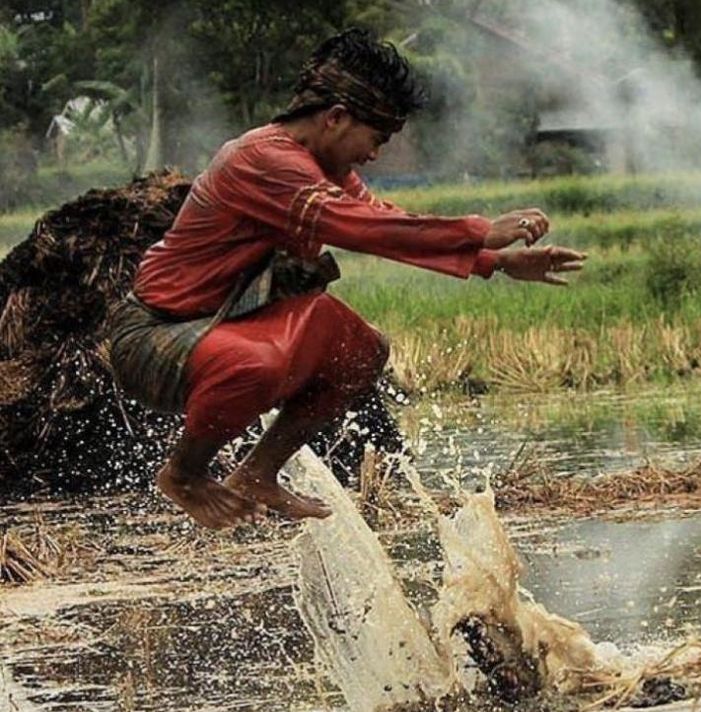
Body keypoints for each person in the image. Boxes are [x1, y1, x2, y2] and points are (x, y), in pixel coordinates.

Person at [107, 29, 585, 530]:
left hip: (224, 324)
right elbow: (363, 228)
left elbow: (384, 219)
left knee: (363, 350)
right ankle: (183, 474)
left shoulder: (324, 169)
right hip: (156, 336)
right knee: (258, 363)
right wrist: (483, 231)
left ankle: (257, 473)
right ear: (335, 118)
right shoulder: (261, 160)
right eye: (375, 139)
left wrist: (496, 262)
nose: (374, 155)